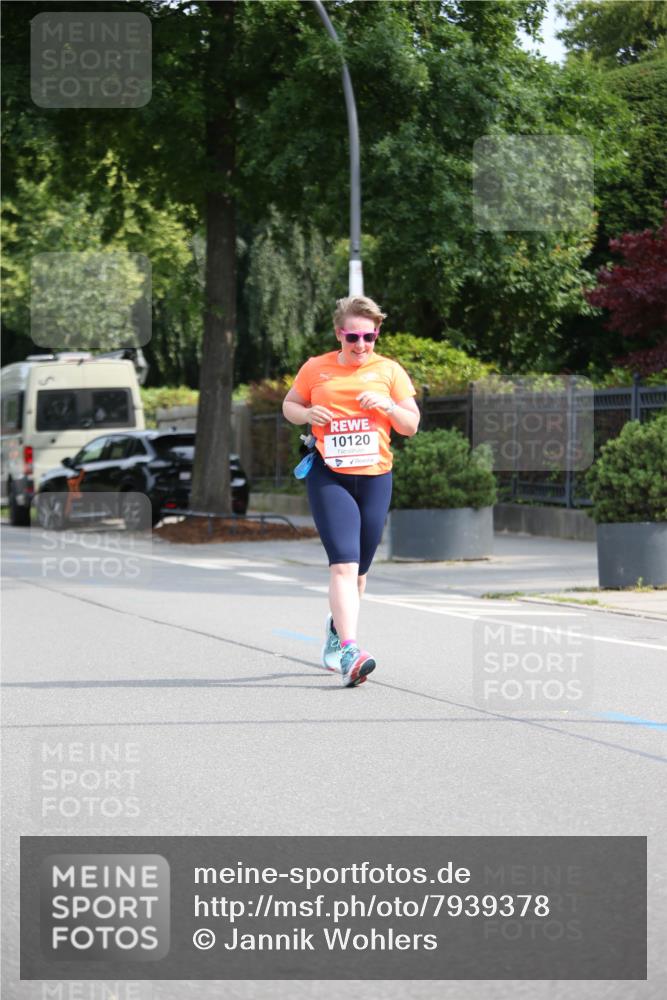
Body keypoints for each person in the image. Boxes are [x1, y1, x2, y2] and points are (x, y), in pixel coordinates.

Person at [282, 295, 420, 687]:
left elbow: (411, 424)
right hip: (330, 476)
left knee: (359, 573)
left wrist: (388, 408)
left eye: (369, 337)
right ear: (339, 334)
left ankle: (336, 628)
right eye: (353, 337)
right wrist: (307, 414)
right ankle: (350, 650)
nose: (361, 346)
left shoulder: (389, 371)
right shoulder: (316, 369)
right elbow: (289, 405)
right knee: (342, 564)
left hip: (376, 477)